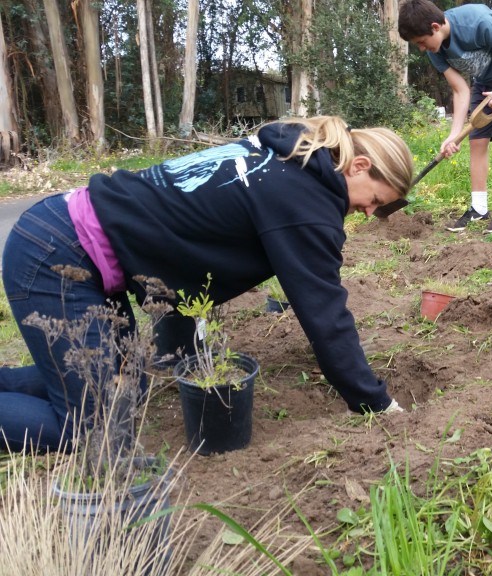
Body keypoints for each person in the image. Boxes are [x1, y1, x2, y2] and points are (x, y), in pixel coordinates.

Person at [0, 116, 412, 452]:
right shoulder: (306, 201)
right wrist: (373, 403)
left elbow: (188, 245)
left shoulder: (288, 160)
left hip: (68, 237)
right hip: (57, 255)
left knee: (128, 384)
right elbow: (325, 313)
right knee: (94, 429)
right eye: (374, 200)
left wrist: (179, 347)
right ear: (359, 166)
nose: (365, 212)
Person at [398, 0, 492, 234]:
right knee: (477, 139)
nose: (422, 48)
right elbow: (460, 89)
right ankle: (479, 207)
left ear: (435, 27)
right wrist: (453, 135)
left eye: (421, 42)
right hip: (484, 79)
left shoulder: (477, 22)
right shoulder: (435, 50)